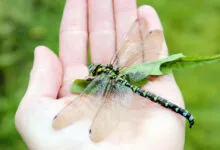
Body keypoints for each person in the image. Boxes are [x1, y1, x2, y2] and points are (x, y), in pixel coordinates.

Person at [15, 0, 185, 149]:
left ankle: (180, 113)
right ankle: (180, 113)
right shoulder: (116, 69)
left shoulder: (104, 83)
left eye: (94, 70)